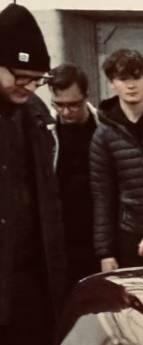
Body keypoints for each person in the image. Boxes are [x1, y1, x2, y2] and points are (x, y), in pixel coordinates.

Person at [0, 4, 66, 345]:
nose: (27, 86)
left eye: (35, 78)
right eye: (19, 76)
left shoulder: (38, 116)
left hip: (28, 280)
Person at [90, 46, 143, 271]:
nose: (131, 85)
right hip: (130, 235)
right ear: (112, 83)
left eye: (137, 77)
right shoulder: (104, 134)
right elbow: (102, 195)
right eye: (123, 79)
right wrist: (105, 252)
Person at [46, 64, 99, 287]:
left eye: (73, 105)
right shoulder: (44, 131)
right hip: (61, 232)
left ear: (86, 96)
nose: (66, 112)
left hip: (97, 230)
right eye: (59, 105)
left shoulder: (105, 127)